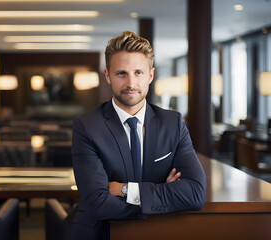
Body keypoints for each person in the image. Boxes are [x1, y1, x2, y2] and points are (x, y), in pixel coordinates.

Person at [68, 31, 206, 240]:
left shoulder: (173, 124)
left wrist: (124, 190)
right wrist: (161, 196)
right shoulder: (87, 126)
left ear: (150, 75)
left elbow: (195, 193)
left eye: (138, 73)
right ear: (107, 75)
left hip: (158, 234)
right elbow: (97, 203)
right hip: (100, 233)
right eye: (121, 73)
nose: (131, 83)